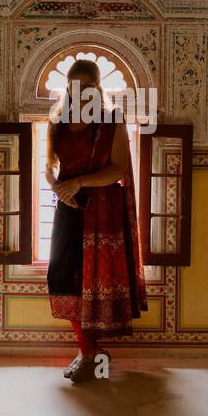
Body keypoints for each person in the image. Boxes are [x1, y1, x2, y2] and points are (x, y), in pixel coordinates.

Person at [45, 59, 147, 383]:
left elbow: (119, 169)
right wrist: (57, 187)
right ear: (69, 88)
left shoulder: (112, 121)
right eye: (76, 85)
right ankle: (89, 350)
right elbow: (51, 166)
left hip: (100, 210)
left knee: (91, 283)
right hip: (68, 207)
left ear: (97, 88)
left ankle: (88, 353)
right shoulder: (57, 121)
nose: (82, 91)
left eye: (89, 86)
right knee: (62, 278)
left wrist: (79, 184)